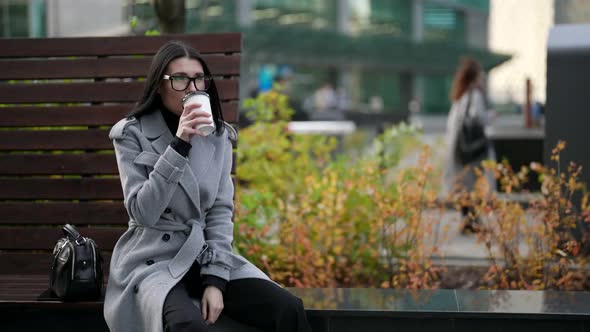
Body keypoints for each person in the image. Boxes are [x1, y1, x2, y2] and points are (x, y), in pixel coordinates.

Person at [103, 40, 312, 332]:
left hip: (203, 254)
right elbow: (143, 213)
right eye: (179, 79)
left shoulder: (218, 137)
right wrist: (179, 145)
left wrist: (215, 280)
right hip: (152, 259)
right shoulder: (131, 133)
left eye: (198, 79)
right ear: (159, 85)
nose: (192, 88)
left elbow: (219, 211)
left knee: (286, 309)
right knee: (188, 325)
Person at [442, 57, 497, 234]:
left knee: (465, 185)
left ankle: (468, 222)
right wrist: (492, 116)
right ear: (475, 76)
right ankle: (471, 223)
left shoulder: (461, 95)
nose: (482, 77)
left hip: (458, 147)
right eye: (480, 74)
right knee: (472, 184)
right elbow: (479, 118)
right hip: (472, 149)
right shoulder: (475, 94)